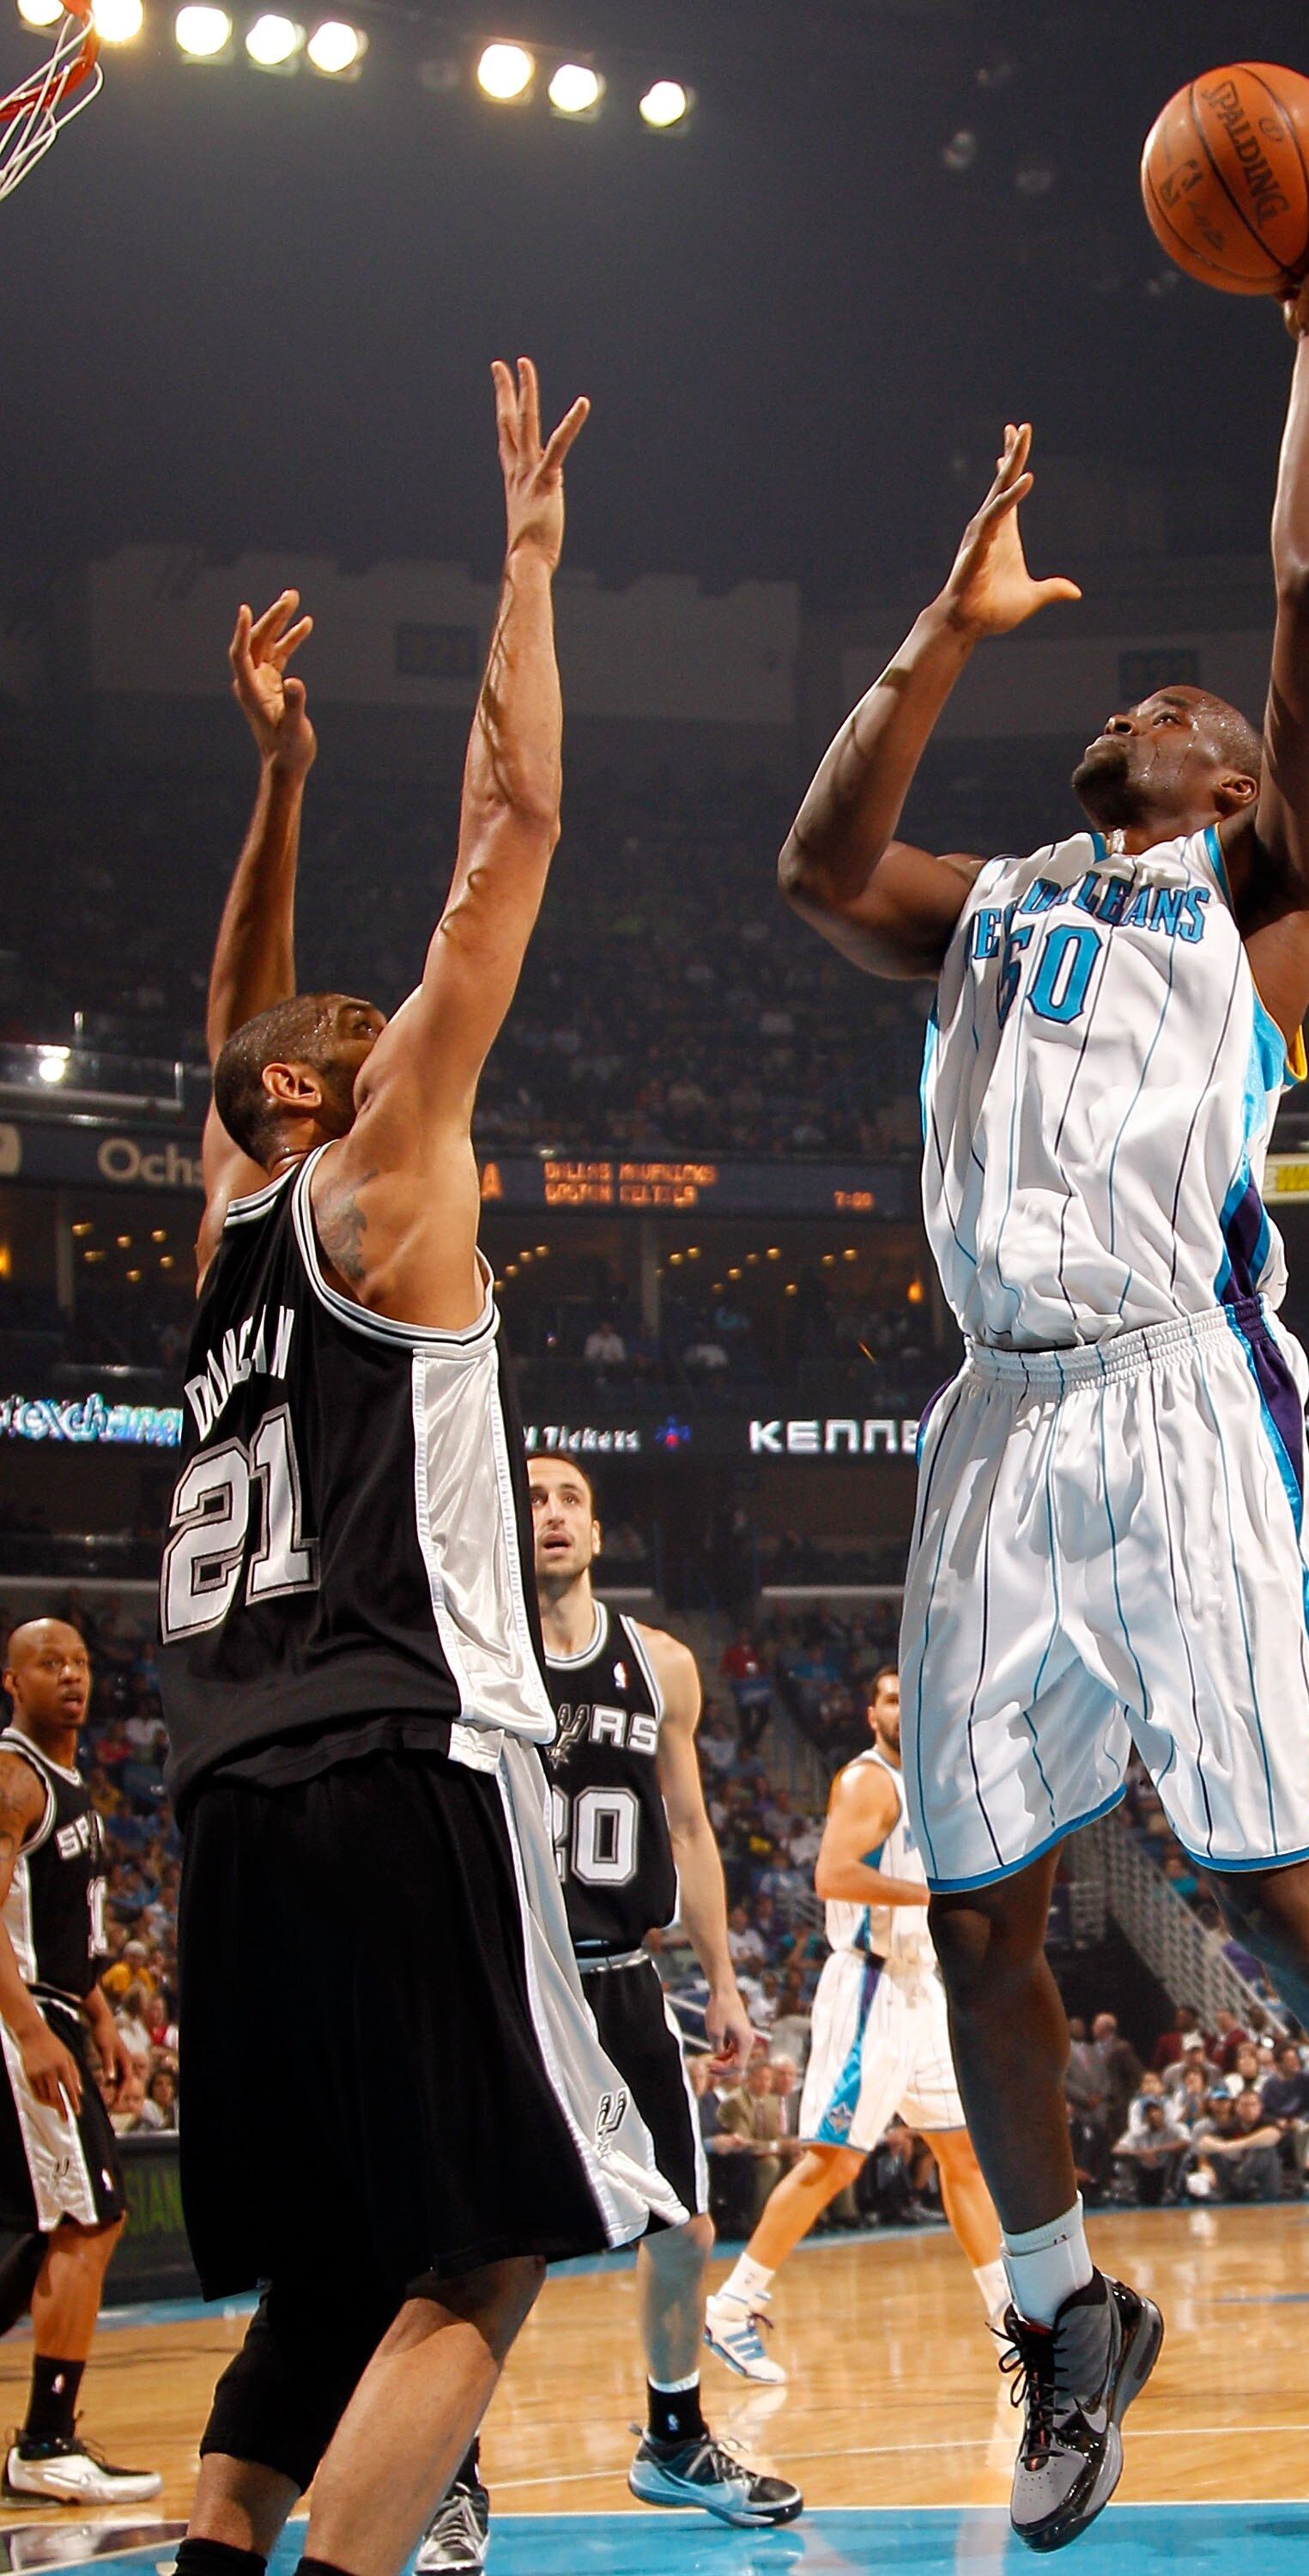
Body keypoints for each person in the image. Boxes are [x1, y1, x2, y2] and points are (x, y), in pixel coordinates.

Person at [776, 143, 1309, 2551]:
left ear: (1247, 790)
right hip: (991, 1419)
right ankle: (1070, 2312)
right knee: (979, 1910)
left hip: (1177, 1400)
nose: (1153, 704)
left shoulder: (1261, 901)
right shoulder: (999, 897)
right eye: (1140, 695)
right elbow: (811, 869)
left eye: (1188, 707)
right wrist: (944, 632)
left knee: (1264, 1872)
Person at [156, 363, 685, 2576]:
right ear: (347, 1090)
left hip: (230, 1807)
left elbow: (235, 1029)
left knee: (317, 2274)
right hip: (406, 1760)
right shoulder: (386, 1187)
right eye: (363, 1039)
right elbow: (512, 830)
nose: (388, 1027)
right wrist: (531, 566)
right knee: (481, 2254)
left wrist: (276, 786)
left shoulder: (219, 1233)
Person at [418, 1455, 801, 2564]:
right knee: (481, 2251)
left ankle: (674, 2442)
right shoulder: (466, 1651)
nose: (550, 1514)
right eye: (530, 1498)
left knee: (682, 2226)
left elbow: (688, 1828)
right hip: (504, 1982)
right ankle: (450, 2472)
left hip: (625, 1978)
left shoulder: (661, 1663)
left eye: (569, 1499)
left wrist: (724, 1980)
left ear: (598, 1529)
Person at [705, 1668, 1009, 2381]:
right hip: (870, 1982)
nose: (906, 1708)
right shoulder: (868, 1782)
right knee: (833, 2160)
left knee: (962, 2154)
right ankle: (731, 2305)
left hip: (918, 1987)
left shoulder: (931, 1786)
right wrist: (931, 1896)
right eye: (892, 1698)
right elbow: (833, 1875)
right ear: (872, 1713)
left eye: (914, 1695)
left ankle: (1006, 2318)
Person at [0, 1621, 160, 2505]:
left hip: (56, 2005)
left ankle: (45, 2437)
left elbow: (65, 1929)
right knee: (88, 2220)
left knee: (58, 2224)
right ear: (10, 1681)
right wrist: (30, 2028)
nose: (70, 1676)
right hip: (20, 2014)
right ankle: (46, 2441)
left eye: (80, 1663)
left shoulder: (70, 1784)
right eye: (48, 1664)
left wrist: (98, 2013)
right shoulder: (12, 1773)